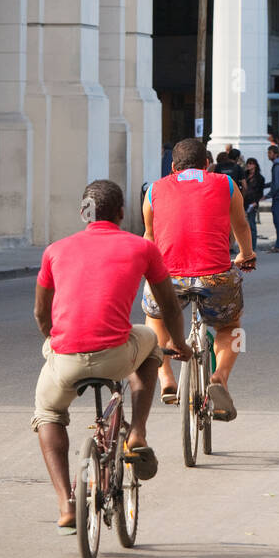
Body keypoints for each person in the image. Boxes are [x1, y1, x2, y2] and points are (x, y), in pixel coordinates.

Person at [32, 180, 191, 528]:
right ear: (121, 212)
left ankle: (66, 504)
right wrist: (179, 343)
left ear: (83, 213)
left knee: (48, 413)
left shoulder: (55, 250)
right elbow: (169, 307)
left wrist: (59, 341)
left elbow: (42, 315)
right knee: (149, 338)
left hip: (66, 357)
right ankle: (137, 431)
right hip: (117, 355)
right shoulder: (142, 248)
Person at [142, 137, 256, 419]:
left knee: (155, 318)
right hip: (216, 276)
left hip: (168, 277)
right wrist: (246, 255)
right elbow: (241, 225)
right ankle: (220, 377)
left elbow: (149, 236)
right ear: (207, 164)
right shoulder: (226, 184)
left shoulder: (154, 190)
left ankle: (166, 377)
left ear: (173, 167)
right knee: (232, 327)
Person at [241, 157, 266, 240]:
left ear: (255, 165)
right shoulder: (244, 175)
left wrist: (256, 202)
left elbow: (260, 192)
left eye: (251, 164)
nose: (249, 165)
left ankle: (253, 245)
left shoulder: (260, 178)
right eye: (248, 163)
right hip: (244, 201)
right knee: (243, 225)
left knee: (252, 224)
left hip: (252, 202)